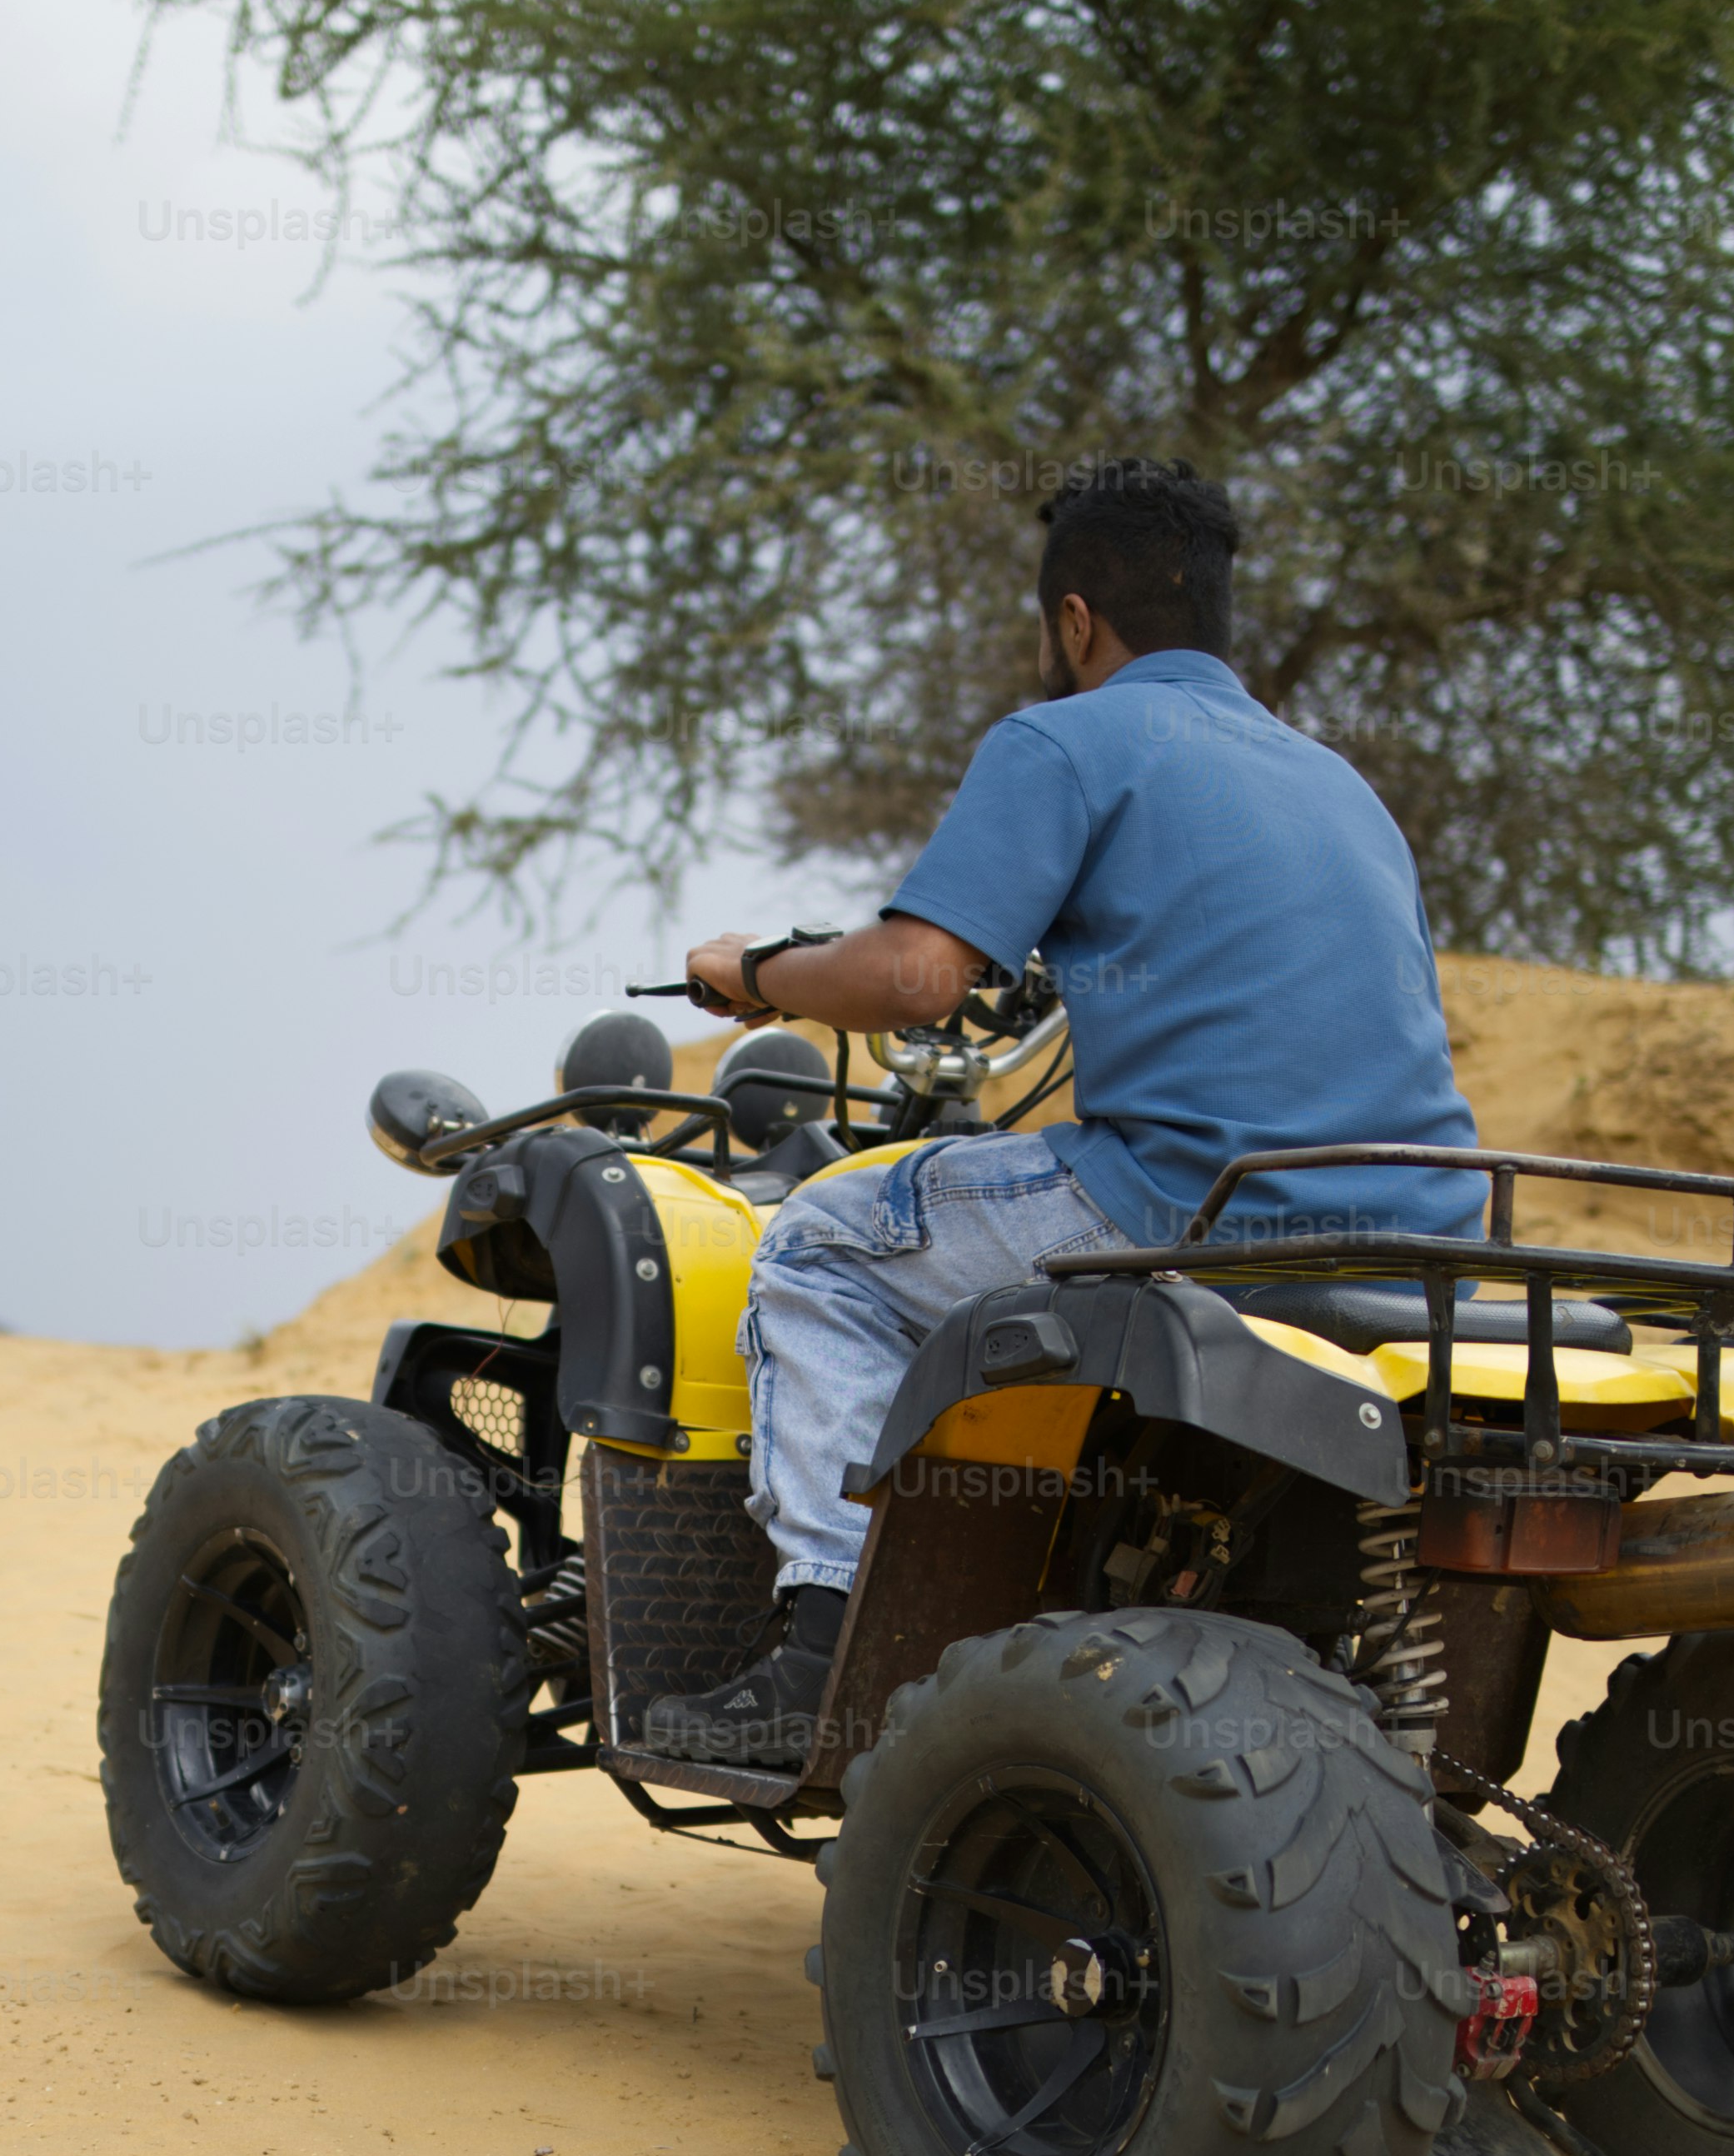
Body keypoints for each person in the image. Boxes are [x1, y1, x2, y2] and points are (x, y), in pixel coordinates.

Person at [636, 459, 1489, 1768]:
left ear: (1075, 621)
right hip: (1425, 1232)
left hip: (1190, 1204)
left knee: (818, 1237)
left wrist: (757, 975)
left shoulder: (1063, 740)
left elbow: (917, 976)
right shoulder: (1337, 783)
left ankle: (825, 1652)